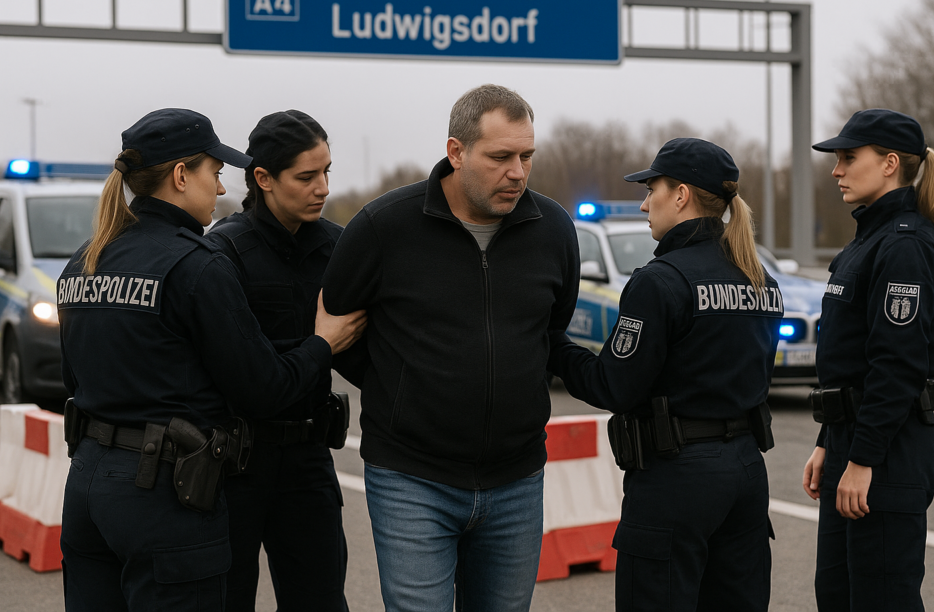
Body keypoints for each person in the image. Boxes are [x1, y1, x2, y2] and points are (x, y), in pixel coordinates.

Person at [56, 108, 366, 612]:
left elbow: (75, 378)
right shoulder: (198, 263)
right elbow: (260, 386)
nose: (221, 189)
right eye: (215, 173)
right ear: (182, 175)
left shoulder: (85, 259)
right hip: (163, 490)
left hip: (89, 485)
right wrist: (322, 343)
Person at [321, 84, 580, 612]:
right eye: (501, 157)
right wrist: (401, 387)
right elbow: (340, 328)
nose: (518, 172)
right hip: (410, 479)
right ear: (456, 152)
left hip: (517, 478)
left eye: (527, 156)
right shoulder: (382, 227)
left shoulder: (553, 229)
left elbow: (550, 331)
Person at [549, 138, 783, 612]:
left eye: (651, 188)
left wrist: (553, 345)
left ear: (680, 195)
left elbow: (613, 385)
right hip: (745, 472)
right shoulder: (760, 279)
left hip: (677, 479)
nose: (643, 202)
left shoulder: (660, 280)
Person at [208, 110, 364, 611]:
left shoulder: (339, 248)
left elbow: (366, 354)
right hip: (236, 464)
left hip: (308, 461)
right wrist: (320, 345)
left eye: (327, 173)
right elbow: (237, 369)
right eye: (306, 176)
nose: (321, 187)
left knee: (319, 601)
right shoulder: (223, 252)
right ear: (263, 179)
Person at [802, 109, 934, 612]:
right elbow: (850, 361)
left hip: (887, 452)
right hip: (854, 441)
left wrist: (863, 458)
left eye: (849, 157)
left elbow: (896, 365)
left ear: (890, 163)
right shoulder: (866, 242)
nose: (836, 169)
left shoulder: (905, 246)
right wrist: (831, 440)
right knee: (839, 598)